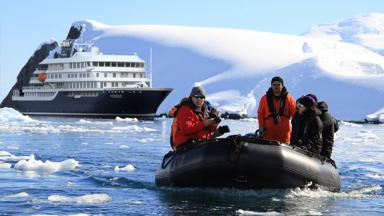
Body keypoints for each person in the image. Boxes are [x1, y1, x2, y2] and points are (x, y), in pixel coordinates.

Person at [169, 86, 226, 151]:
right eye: (196, 97)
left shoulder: (205, 111)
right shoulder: (184, 109)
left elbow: (204, 133)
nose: (199, 99)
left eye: (202, 97)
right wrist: (204, 124)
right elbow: (185, 130)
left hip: (198, 144)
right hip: (184, 145)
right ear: (191, 98)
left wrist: (214, 126)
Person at [257, 76, 296, 144]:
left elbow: (295, 116)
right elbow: (260, 114)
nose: (276, 86)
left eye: (278, 84)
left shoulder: (289, 99)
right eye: (274, 84)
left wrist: (297, 130)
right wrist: (261, 127)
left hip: (284, 135)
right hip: (268, 133)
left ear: (282, 86)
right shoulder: (264, 99)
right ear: (271, 86)